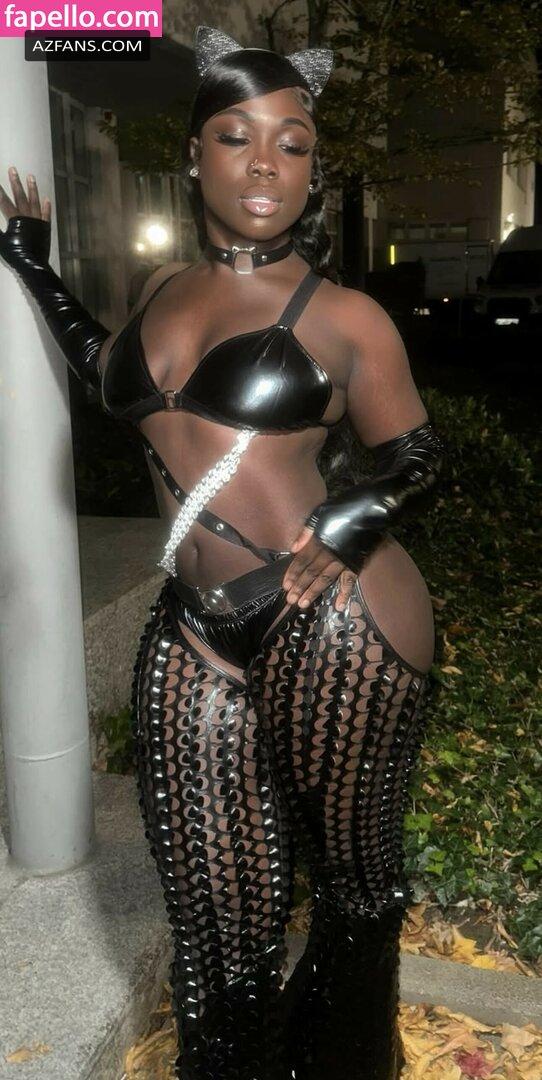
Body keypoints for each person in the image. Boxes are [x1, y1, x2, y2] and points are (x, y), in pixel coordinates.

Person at [0, 24, 445, 1080]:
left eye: (293, 144)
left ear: (311, 170)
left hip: (335, 613)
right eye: (238, 136)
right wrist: (30, 262)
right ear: (194, 154)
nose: (265, 164)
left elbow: (418, 455)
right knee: (214, 919)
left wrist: (354, 516)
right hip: (193, 628)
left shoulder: (346, 316)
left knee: (353, 891)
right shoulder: (161, 289)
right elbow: (108, 369)